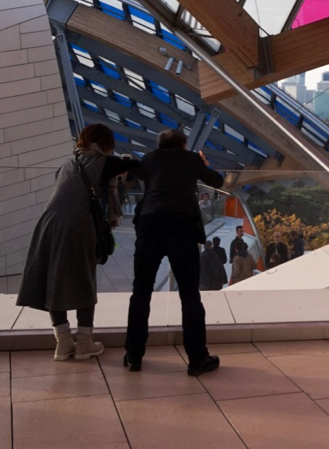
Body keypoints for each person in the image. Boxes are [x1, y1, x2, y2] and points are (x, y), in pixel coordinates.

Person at [17, 124, 136, 362]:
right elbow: (136, 166)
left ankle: (63, 344)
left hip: (48, 224)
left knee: (54, 280)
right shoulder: (103, 162)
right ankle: (84, 343)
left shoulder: (69, 163)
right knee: (84, 280)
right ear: (104, 143)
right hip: (77, 225)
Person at [123, 129, 224, 375]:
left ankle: (134, 355)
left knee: (141, 291)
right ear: (183, 145)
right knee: (190, 294)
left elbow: (135, 175)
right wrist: (204, 163)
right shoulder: (191, 158)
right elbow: (217, 182)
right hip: (181, 224)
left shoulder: (149, 158)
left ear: (160, 145)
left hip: (150, 223)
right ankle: (197, 358)